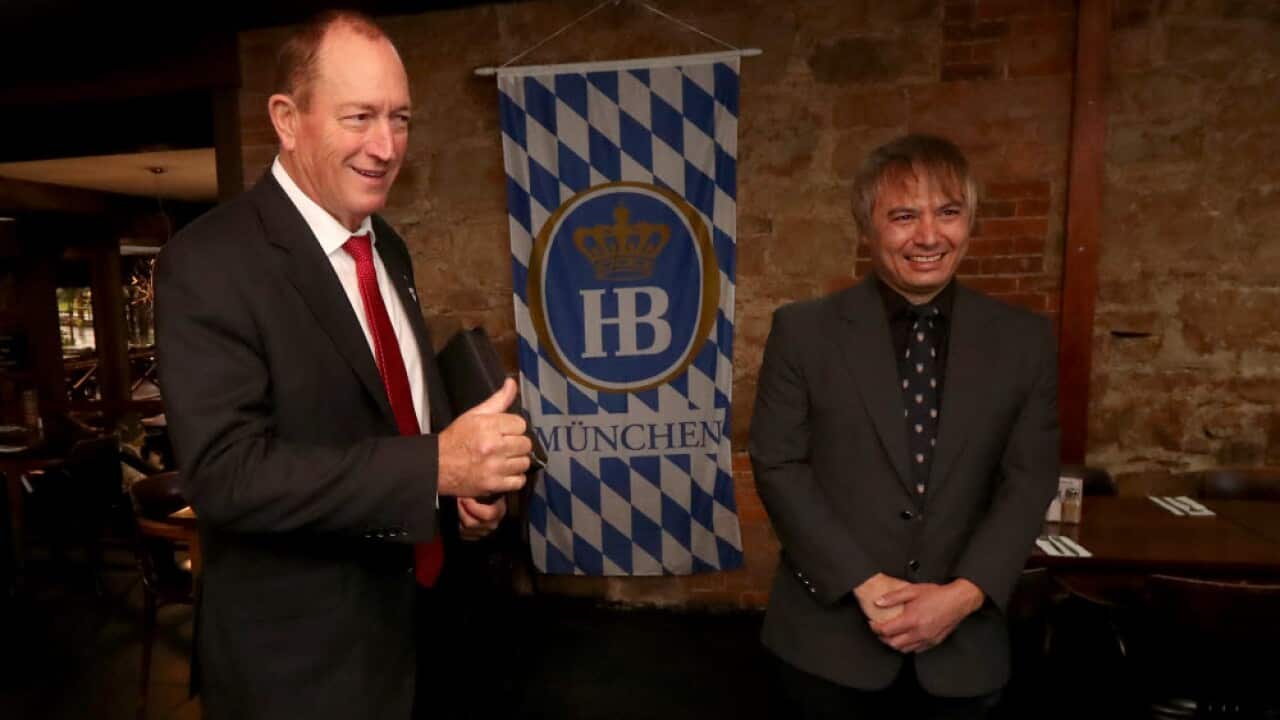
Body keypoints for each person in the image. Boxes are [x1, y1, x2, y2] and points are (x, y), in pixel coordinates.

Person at [154, 11, 530, 720]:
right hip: (301, 671)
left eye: (401, 119)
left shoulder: (387, 246)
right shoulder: (208, 264)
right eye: (359, 117)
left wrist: (461, 492)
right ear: (287, 119)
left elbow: (393, 412)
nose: (386, 147)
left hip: (427, 633)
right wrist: (434, 467)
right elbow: (228, 476)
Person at [749, 134, 1059, 719]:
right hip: (827, 646)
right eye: (903, 216)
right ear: (866, 228)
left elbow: (1029, 479)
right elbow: (778, 464)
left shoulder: (1024, 341)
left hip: (964, 651)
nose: (928, 236)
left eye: (948, 212)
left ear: (970, 222)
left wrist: (961, 597)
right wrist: (865, 585)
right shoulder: (804, 332)